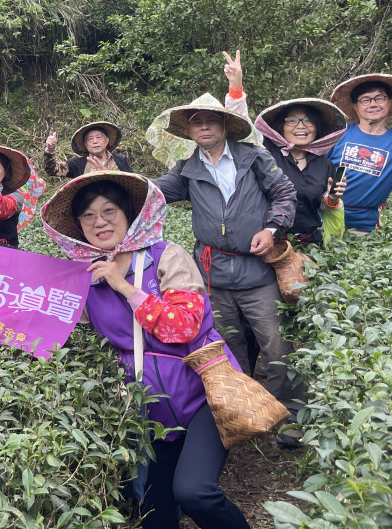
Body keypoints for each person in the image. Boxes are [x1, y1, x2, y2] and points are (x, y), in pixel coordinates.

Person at [41, 172, 250, 529]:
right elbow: (52, 328)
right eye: (88, 216)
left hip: (203, 394)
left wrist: (122, 285)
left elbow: (183, 325)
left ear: (129, 214)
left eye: (109, 211)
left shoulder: (166, 256)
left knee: (194, 491)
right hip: (148, 408)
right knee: (156, 514)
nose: (100, 222)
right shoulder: (85, 278)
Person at [152, 97, 306, 447]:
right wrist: (112, 182)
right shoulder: (186, 170)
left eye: (211, 120)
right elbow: (152, 192)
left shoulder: (254, 158)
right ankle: (241, 417)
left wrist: (273, 229)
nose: (204, 126)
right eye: (197, 122)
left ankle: (291, 421)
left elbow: (284, 192)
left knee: (277, 348)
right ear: (189, 131)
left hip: (258, 274)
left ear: (225, 126)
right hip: (214, 276)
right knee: (227, 351)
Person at [221, 50, 348, 246]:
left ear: (317, 128)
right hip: (269, 244)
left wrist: (331, 199)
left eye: (308, 120)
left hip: (310, 245)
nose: (301, 125)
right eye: (292, 120)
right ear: (281, 127)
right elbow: (240, 129)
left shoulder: (324, 165)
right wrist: (235, 86)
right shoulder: (265, 154)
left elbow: (322, 208)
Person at [327, 74, 392, 234]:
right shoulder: (337, 135)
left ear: (390, 102)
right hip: (323, 216)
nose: (373, 104)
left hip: (363, 227)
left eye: (379, 98)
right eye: (365, 100)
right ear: (356, 106)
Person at [43, 121, 133, 178]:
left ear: (107, 141)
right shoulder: (76, 164)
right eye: (90, 139)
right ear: (85, 145)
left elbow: (132, 183)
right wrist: (50, 149)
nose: (95, 141)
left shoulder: (121, 160)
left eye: (99, 137)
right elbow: (52, 170)